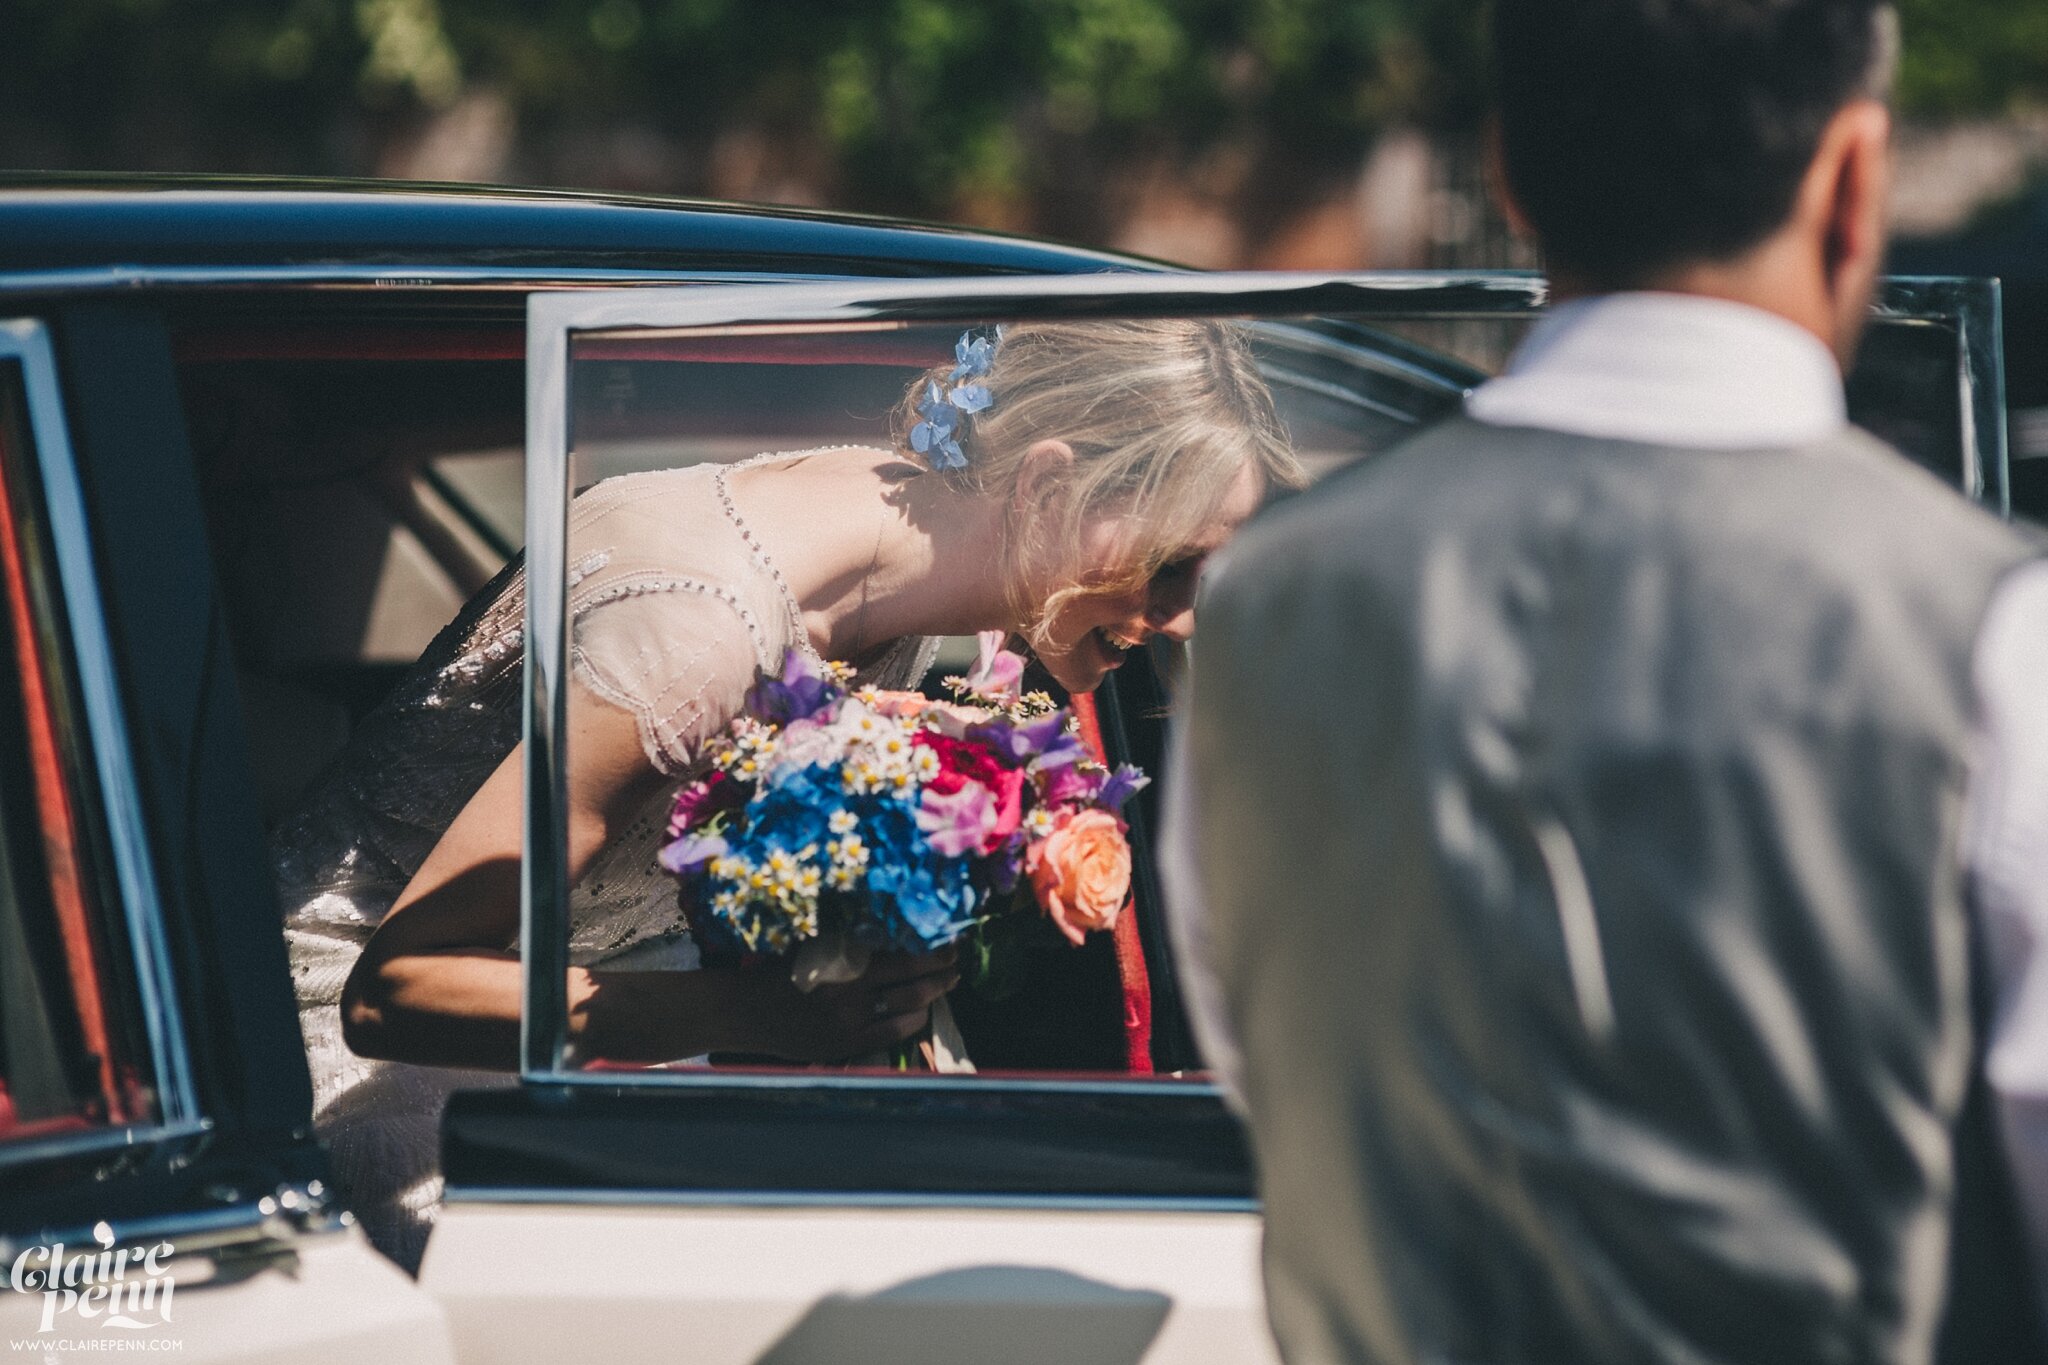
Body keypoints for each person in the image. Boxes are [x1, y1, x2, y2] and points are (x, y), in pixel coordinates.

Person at [1164, 3, 2048, 1362]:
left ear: (1509, 172)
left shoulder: (1266, 600)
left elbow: (1267, 1062)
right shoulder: (1993, 626)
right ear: (1855, 175)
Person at [274, 318, 1303, 1270]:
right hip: (374, 1079)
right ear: (1044, 485)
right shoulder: (696, 636)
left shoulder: (882, 540)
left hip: (597, 1051)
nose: (1180, 618)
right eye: (1173, 566)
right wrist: (763, 1015)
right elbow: (392, 990)